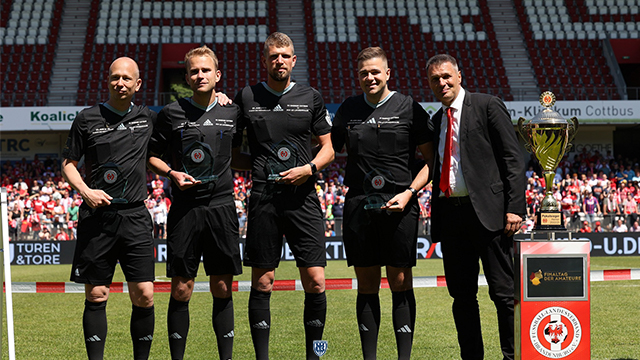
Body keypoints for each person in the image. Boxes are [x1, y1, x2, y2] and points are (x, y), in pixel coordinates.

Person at [233, 32, 335, 360]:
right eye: (273, 55)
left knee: (317, 283)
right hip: (264, 198)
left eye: (285, 55)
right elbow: (232, 153)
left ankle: (316, 354)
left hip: (303, 198)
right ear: (264, 61)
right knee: (263, 282)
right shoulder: (246, 97)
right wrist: (261, 168)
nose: (279, 60)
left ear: (294, 60)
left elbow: (328, 148)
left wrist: (309, 169)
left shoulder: (311, 96)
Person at [331, 47, 433, 360]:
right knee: (367, 284)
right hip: (360, 206)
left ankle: (404, 357)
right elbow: (325, 146)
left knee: (400, 280)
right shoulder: (348, 109)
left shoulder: (409, 107)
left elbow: (431, 161)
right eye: (364, 73)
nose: (370, 78)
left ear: (387, 73)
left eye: (375, 72)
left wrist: (409, 192)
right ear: (357, 76)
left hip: (400, 205)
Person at [425, 54, 525, 360]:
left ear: (459, 76)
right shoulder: (436, 120)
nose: (441, 83)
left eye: (446, 76)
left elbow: (513, 158)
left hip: (491, 215)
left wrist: (515, 207)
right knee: (462, 297)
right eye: (434, 79)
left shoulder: (487, 105)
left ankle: (512, 356)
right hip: (452, 216)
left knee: (504, 294)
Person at [147, 45, 242, 360]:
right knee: (181, 289)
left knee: (223, 287)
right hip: (185, 210)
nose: (200, 75)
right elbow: (151, 156)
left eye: (205, 70)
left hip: (222, 208)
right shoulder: (170, 114)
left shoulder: (233, 111)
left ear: (217, 75)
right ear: (186, 77)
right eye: (193, 71)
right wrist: (172, 173)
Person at [61, 57, 156, 360]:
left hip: (135, 216)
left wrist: (218, 96)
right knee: (97, 294)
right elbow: (68, 164)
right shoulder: (87, 118)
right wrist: (85, 191)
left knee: (144, 295)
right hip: (97, 219)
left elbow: (187, 115)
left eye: (127, 78)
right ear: (108, 81)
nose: (121, 83)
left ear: (137, 84)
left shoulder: (148, 118)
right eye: (115, 77)